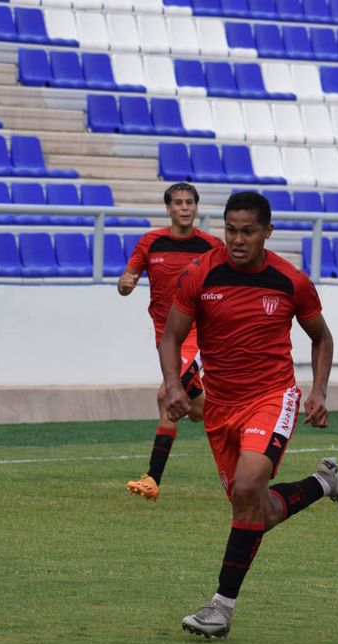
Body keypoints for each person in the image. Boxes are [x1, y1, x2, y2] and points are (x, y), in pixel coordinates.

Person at [160, 191, 338, 639]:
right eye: (231, 230)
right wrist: (175, 385)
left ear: (267, 232)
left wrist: (319, 392)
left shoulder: (290, 281)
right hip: (220, 408)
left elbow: (322, 338)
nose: (237, 240)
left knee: (250, 486)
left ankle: (220, 608)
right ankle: (323, 483)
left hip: (271, 398)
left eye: (248, 231)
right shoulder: (201, 273)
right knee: (256, 510)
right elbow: (172, 337)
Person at [119, 182, 222, 501]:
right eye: (177, 202)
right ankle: (240, 427)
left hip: (198, 333)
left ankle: (153, 478)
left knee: (168, 394)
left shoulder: (211, 246)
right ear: (168, 208)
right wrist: (126, 283)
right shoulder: (151, 242)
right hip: (166, 338)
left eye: (189, 202)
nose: (184, 207)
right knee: (190, 407)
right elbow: (127, 279)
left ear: (196, 207)